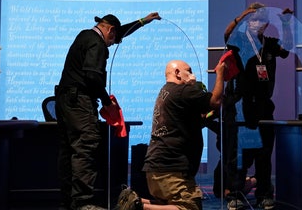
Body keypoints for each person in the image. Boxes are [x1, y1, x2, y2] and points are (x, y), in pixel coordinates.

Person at [55, 12, 161, 210]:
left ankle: (68, 203)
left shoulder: (84, 35)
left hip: (64, 100)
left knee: (68, 151)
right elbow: (93, 77)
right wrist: (107, 102)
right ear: (109, 30)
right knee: (85, 147)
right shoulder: (97, 43)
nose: (112, 44)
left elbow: (120, 31)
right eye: (113, 40)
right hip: (79, 101)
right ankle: (82, 203)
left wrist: (143, 21)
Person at [116, 59, 225, 210]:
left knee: (168, 205)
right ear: (177, 73)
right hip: (171, 169)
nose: (192, 75)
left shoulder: (166, 92)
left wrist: (210, 115)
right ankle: (139, 206)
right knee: (190, 207)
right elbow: (215, 101)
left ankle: (134, 201)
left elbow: (193, 123)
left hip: (157, 168)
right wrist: (221, 74)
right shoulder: (182, 91)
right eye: (189, 70)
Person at [222, 2, 293, 210]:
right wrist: (242, 15)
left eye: (261, 21)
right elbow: (226, 35)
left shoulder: (270, 44)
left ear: (266, 24)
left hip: (263, 106)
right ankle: (234, 194)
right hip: (241, 105)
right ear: (248, 22)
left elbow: (287, 49)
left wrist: (286, 24)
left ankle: (264, 194)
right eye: (253, 20)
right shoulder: (240, 41)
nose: (256, 24)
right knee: (239, 153)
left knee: (263, 153)